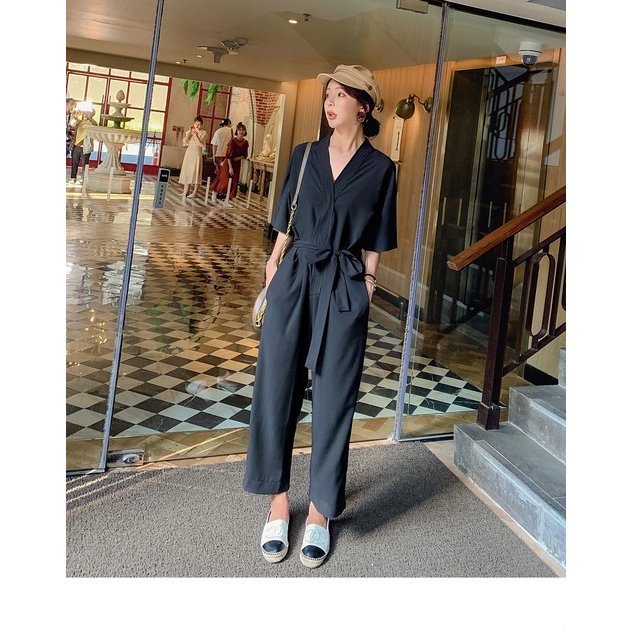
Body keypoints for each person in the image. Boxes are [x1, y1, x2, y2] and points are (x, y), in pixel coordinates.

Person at [243, 64, 397, 568]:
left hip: (345, 283)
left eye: (340, 95)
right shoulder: (305, 154)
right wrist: (272, 266)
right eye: (328, 94)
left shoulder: (381, 169)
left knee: (335, 397)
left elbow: (376, 238)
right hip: (294, 276)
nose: (330, 103)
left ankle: (320, 512)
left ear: (363, 107)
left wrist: (368, 283)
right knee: (276, 387)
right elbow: (284, 220)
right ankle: (278, 502)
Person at [210, 122, 249, 207]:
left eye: (243, 130)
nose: (241, 132)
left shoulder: (245, 142)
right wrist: (230, 167)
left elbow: (245, 155)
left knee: (234, 183)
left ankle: (227, 201)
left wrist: (239, 158)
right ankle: (215, 192)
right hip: (228, 164)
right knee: (224, 182)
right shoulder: (233, 141)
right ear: (237, 131)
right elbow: (228, 156)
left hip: (237, 165)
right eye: (239, 130)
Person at [180, 116, 208, 198]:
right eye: (196, 124)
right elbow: (184, 142)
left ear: (201, 125)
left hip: (197, 154)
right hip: (189, 153)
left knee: (196, 172)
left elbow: (201, 144)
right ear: (194, 123)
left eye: (199, 124)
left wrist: (195, 135)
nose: (197, 126)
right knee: (187, 171)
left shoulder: (204, 133)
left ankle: (195, 192)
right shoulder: (190, 131)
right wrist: (189, 133)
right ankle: (186, 191)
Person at [68, 108, 97, 185]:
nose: (86, 112)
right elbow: (72, 124)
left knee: (85, 164)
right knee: (74, 163)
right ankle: (73, 178)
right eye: (86, 111)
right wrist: (75, 117)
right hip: (76, 145)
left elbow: (94, 130)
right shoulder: (80, 121)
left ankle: (82, 178)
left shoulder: (93, 122)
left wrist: (89, 119)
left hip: (86, 146)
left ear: (92, 114)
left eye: (88, 112)